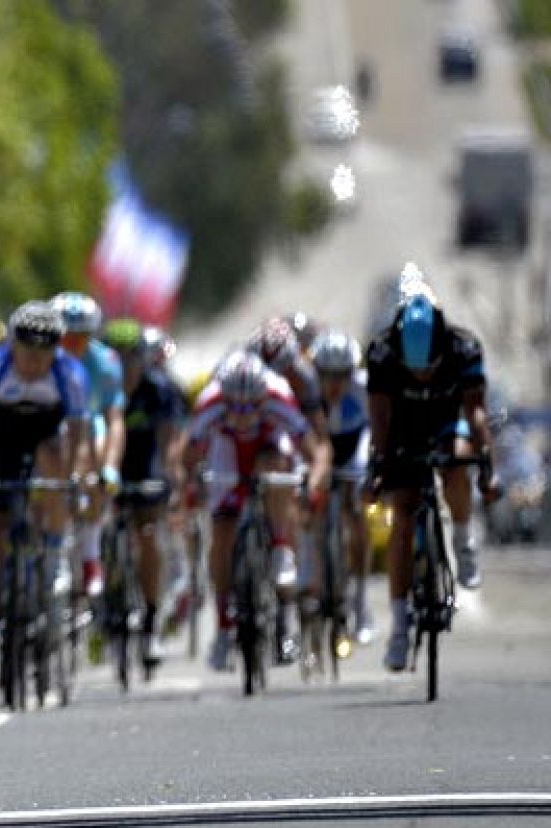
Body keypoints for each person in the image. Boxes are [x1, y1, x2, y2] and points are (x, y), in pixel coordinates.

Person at [364, 274, 498, 671]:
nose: (422, 375)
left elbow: (475, 413)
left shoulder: (464, 348)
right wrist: (377, 467)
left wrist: (487, 465)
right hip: (402, 430)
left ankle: (462, 538)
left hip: (445, 424)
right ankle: (400, 626)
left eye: (430, 367)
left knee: (457, 464)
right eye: (414, 369)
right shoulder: (382, 353)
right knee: (402, 520)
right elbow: (379, 419)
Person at [0, 302, 88, 685]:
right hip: (1, 443)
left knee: (55, 460)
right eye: (26, 351)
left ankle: (53, 550)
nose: (34, 361)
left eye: (43, 353)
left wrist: (75, 480)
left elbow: (78, 440)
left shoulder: (70, 373)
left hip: (46, 440)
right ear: (12, 345)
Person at [185, 351, 328, 671]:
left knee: (277, 470)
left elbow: (312, 451)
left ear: (263, 397)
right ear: (224, 398)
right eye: (235, 407)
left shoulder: (279, 395)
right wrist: (191, 487)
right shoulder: (210, 402)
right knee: (222, 534)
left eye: (252, 406)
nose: (243, 415)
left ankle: (280, 551)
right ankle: (223, 628)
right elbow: (188, 455)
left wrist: (311, 483)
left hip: (269, 445)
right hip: (227, 452)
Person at [101, 318, 185, 668]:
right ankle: (102, 607)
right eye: (116, 358)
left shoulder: (158, 388)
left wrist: (172, 478)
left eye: (130, 358)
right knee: (101, 534)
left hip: (146, 463)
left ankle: (151, 621)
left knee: (148, 534)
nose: (124, 367)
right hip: (110, 463)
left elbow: (170, 441)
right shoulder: (99, 386)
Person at [52, 292, 123, 599]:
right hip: (54, 421)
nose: (72, 346)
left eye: (80, 339)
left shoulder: (105, 362)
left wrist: (110, 468)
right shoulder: (46, 359)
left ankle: (91, 555)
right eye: (66, 339)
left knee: (94, 451)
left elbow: (114, 419)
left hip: (90, 424)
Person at [309, 329, 375, 645]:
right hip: (320, 448)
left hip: (354, 448)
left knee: (356, 510)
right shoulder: (307, 390)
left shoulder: (364, 388)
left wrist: (371, 470)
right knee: (311, 510)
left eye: (343, 374)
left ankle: (360, 600)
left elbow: (376, 432)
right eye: (327, 374)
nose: (335, 383)